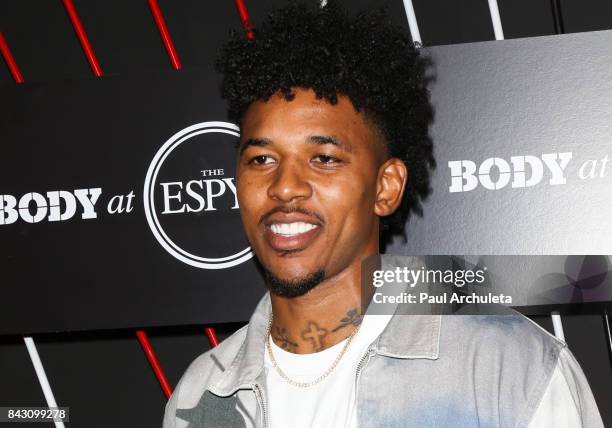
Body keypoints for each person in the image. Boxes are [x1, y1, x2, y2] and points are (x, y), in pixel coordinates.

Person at [163, 2, 603, 427]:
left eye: (324, 158)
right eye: (261, 160)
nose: (284, 186)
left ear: (385, 186)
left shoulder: (509, 370)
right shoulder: (200, 394)